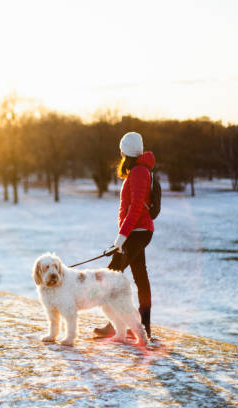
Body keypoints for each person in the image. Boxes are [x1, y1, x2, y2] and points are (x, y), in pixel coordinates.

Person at [94, 131, 155, 340]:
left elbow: (136, 207)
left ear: (125, 152)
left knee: (111, 274)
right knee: (140, 277)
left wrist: (120, 239)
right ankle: (142, 327)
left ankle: (116, 325)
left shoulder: (139, 171)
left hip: (137, 232)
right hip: (137, 232)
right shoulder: (139, 170)